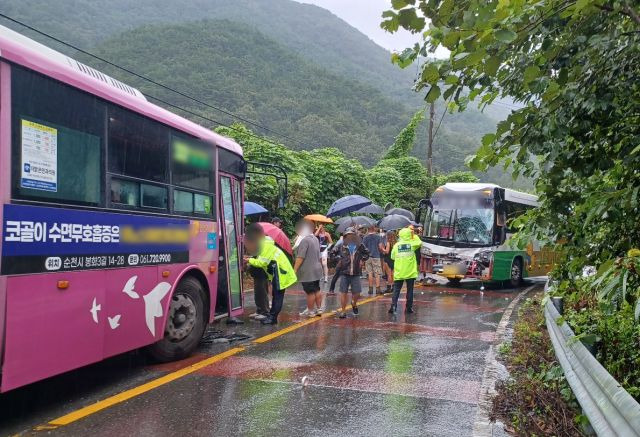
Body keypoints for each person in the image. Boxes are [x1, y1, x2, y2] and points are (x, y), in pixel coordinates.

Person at [244, 223, 297, 325]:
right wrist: (250, 258)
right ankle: (271, 316)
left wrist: (249, 260)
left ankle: (273, 318)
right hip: (278, 271)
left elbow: (262, 262)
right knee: (275, 295)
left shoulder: (265, 245)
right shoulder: (264, 243)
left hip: (280, 272)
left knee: (277, 296)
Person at [336, 227, 369, 319]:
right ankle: (343, 311)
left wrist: (362, 260)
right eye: (348, 235)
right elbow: (332, 253)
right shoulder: (341, 245)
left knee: (357, 292)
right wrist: (339, 260)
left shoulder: (359, 245)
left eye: (351, 235)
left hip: (356, 272)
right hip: (344, 272)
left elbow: (367, 253)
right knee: (343, 292)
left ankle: (354, 303)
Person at [293, 221, 324, 317]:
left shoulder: (305, 240)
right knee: (316, 289)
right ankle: (319, 309)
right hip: (316, 269)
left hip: (308, 271)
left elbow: (300, 257)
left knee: (310, 292)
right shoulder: (315, 238)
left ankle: (310, 311)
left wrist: (294, 270)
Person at [389, 226, 423, 314]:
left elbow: (392, 257)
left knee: (396, 290)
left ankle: (393, 306)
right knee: (410, 290)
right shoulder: (412, 245)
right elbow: (419, 242)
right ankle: (408, 308)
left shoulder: (396, 245)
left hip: (399, 272)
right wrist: (413, 235)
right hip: (410, 272)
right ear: (408, 235)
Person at [362, 225, 383, 295]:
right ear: (374, 228)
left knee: (370, 273)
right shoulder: (378, 237)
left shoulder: (365, 237)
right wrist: (380, 250)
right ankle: (378, 289)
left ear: (368, 229)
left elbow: (363, 248)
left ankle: (370, 289)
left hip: (368, 257)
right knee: (377, 273)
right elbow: (380, 247)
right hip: (376, 256)